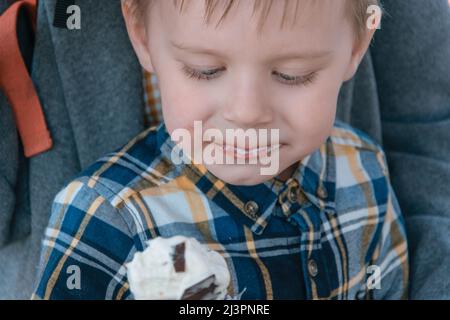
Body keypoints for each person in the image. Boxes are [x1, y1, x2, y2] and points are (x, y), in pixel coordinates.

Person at [31, 0, 408, 300]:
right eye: (205, 69)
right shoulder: (107, 218)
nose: (246, 113)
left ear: (357, 46)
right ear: (143, 37)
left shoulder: (364, 170)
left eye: (292, 73)